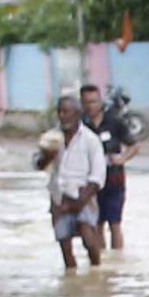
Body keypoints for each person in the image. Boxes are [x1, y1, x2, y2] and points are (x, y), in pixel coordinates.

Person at [42, 103, 108, 270]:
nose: (63, 116)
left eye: (67, 111)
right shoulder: (51, 138)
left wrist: (81, 201)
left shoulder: (91, 139)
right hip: (60, 197)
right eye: (60, 112)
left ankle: (96, 271)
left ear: (77, 113)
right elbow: (37, 164)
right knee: (65, 246)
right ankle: (71, 283)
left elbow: (98, 175)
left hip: (84, 195)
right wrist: (48, 157)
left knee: (89, 238)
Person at [87, 80, 142, 255]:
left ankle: (118, 260)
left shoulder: (114, 121)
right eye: (86, 103)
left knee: (115, 223)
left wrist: (122, 158)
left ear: (100, 101)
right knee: (96, 224)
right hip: (91, 182)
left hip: (114, 180)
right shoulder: (80, 125)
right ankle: (102, 263)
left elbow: (134, 146)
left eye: (94, 102)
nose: (90, 106)